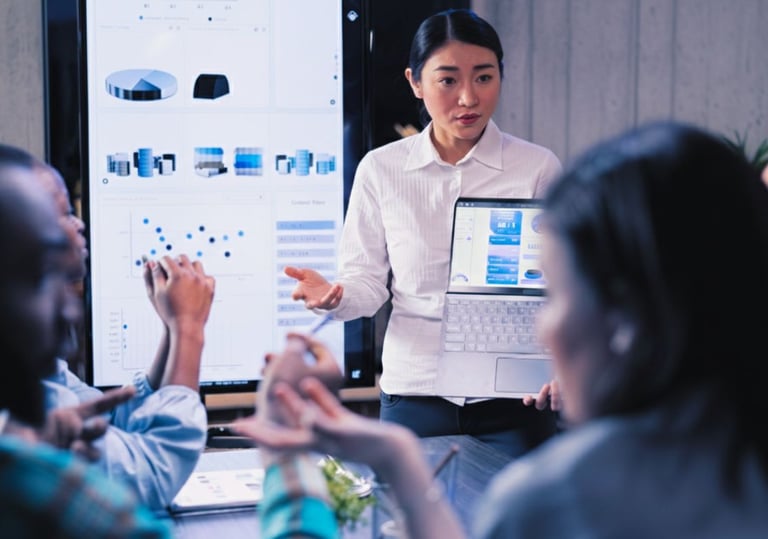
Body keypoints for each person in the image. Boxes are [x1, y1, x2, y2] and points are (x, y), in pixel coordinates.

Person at [235, 121, 768, 538]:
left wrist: (288, 461)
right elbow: (367, 281)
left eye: (556, 293)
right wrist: (399, 460)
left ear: (626, 320)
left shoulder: (555, 501)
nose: (544, 329)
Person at [285, 8, 562, 457]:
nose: (468, 97)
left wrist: (561, 365)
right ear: (415, 82)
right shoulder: (381, 169)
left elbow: (562, 290)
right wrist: (336, 296)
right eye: (448, 80)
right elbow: (368, 284)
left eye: (484, 77)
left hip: (517, 396)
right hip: (416, 392)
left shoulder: (537, 167)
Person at [0, 144, 216, 510]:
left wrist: (171, 331)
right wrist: (189, 328)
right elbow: (152, 472)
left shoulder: (39, 372)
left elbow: (112, 423)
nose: (78, 225)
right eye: (63, 215)